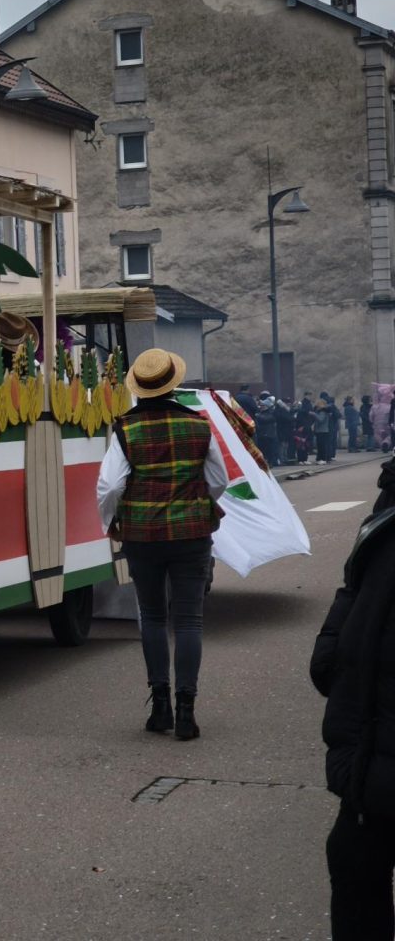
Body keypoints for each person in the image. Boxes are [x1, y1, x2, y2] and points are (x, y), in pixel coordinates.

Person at [97, 349, 227, 740]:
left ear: (139, 388)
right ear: (174, 384)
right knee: (189, 620)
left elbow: (110, 486)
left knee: (153, 617)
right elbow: (218, 480)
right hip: (191, 534)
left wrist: (111, 522)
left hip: (143, 536)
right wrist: (199, 504)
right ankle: (187, 711)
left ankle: (161, 708)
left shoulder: (126, 428)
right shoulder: (199, 425)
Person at [310, 457, 395, 938]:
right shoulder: (391, 493)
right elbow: (356, 583)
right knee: (354, 871)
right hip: (370, 761)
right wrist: (332, 652)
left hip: (373, 756)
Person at [254, 396, 280, 467]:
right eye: (261, 405)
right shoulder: (260, 413)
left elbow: (266, 419)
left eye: (263, 405)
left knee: (269, 450)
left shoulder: (271, 413)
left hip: (269, 435)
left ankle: (270, 462)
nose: (261, 407)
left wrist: (257, 416)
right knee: (263, 449)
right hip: (262, 434)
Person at [313, 400, 336, 465]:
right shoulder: (324, 411)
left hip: (322, 431)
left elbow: (320, 419)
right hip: (322, 430)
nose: (316, 406)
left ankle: (322, 459)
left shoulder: (322, 412)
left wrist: (314, 414)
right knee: (321, 446)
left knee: (321, 446)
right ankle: (320, 458)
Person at [275, 397, 295, 468]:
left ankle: (284, 458)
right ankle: (282, 459)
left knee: (285, 445)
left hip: (286, 430)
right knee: (282, 445)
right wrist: (292, 418)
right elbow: (287, 418)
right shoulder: (281, 410)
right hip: (282, 430)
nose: (288, 404)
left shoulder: (285, 409)